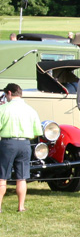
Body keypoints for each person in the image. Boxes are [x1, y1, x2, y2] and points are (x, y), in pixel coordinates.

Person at [0, 83, 42, 212]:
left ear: (10, 93)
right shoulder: (31, 110)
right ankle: (21, 206)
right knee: (22, 177)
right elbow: (37, 132)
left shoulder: (3, 109)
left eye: (5, 95)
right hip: (25, 144)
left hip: (8, 143)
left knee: (2, 176)